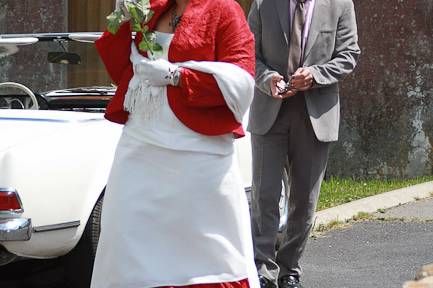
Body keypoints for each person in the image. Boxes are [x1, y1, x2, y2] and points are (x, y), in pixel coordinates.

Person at [90, 0, 259, 287]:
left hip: (200, 153)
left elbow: (242, 84)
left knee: (209, 251)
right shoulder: (150, 8)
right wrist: (121, 18)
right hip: (140, 147)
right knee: (126, 238)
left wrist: (176, 76)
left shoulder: (224, 9)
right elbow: (120, 69)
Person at [247, 0, 361, 287]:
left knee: (304, 201)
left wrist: (315, 75)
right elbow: (248, 52)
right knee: (265, 195)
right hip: (269, 111)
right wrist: (267, 79)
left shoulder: (340, 4)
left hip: (315, 115)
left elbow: (349, 54)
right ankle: (263, 270)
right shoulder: (263, 3)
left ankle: (289, 270)